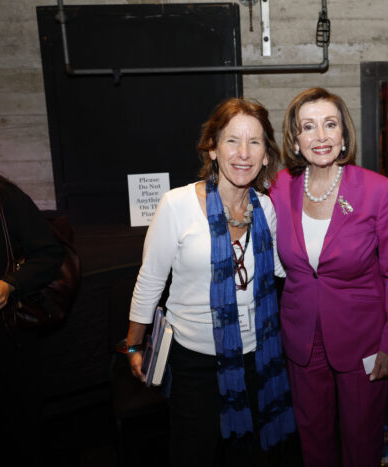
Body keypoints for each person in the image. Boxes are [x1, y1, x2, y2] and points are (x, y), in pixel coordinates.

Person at [125, 99, 296, 466]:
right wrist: (133, 346)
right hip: (193, 363)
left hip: (257, 357)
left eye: (255, 142)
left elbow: (283, 271)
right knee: (194, 453)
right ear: (213, 148)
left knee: (251, 455)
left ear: (267, 155)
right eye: (232, 141)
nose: (243, 154)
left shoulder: (265, 209)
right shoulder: (177, 204)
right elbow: (150, 279)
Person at [269, 87, 388, 467]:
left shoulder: (377, 190)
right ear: (295, 140)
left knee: (363, 440)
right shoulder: (281, 187)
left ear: (344, 134)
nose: (321, 136)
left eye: (330, 125)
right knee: (313, 438)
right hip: (302, 336)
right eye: (308, 127)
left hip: (363, 338)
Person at [0, 128, 64, 466]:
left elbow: (49, 253)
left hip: (1, 339)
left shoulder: (2, 199)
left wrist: (10, 284)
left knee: (12, 432)